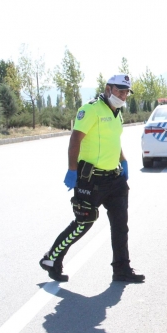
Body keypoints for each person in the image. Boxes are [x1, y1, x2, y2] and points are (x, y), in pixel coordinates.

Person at [39, 74, 145, 283]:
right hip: (91, 180)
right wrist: (72, 170)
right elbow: (75, 140)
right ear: (108, 89)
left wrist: (123, 161)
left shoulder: (117, 114)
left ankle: (121, 269)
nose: (123, 95)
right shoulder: (90, 110)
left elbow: (113, 141)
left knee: (120, 225)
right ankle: (51, 259)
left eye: (126, 92)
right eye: (119, 90)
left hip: (115, 180)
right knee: (83, 223)